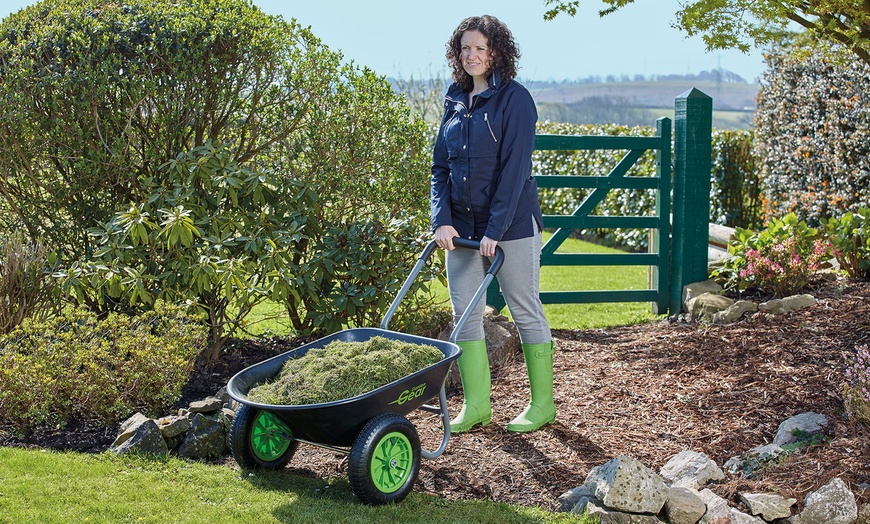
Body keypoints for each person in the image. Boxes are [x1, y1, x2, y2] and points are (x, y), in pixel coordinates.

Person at [430, 15, 555, 433]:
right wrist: (442, 221)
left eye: (480, 48)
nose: (472, 55)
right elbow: (439, 169)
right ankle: (477, 406)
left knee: (524, 308)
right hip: (461, 231)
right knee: (464, 314)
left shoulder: (516, 101)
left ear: (496, 52)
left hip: (512, 226)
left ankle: (542, 406)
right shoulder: (454, 99)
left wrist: (494, 232)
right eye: (465, 48)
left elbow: (514, 171)